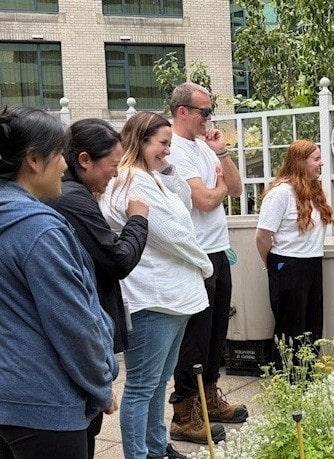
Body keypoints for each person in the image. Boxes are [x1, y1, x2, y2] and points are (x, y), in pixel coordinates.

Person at [0, 107, 118, 459]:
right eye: (59, 155)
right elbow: (74, 322)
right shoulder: (39, 230)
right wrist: (101, 384)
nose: (65, 166)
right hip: (43, 405)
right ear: (33, 159)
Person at [100, 112, 213, 459]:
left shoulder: (151, 176)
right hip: (153, 298)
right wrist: (205, 263)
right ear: (140, 141)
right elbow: (172, 235)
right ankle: (139, 453)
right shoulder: (133, 181)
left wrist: (167, 166)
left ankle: (155, 447)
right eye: (162, 144)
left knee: (156, 383)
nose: (168, 150)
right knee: (141, 386)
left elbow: (184, 203)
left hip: (173, 298)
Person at [44, 118, 149, 458]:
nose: (116, 175)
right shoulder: (72, 198)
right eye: (112, 166)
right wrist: (138, 220)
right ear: (84, 159)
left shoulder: (74, 195)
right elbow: (117, 260)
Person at [166, 82, 246, 444]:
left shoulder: (204, 146)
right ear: (183, 111)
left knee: (217, 332)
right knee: (194, 337)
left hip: (218, 248)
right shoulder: (174, 149)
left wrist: (222, 154)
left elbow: (237, 189)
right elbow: (202, 200)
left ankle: (209, 397)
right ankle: (184, 412)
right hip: (194, 254)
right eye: (204, 111)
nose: (209, 118)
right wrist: (217, 191)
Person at [256, 139, 334, 365]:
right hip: (288, 264)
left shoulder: (314, 190)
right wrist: (271, 265)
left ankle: (307, 376)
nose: (321, 164)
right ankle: (286, 378)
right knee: (290, 327)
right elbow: (262, 236)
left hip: (312, 263)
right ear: (300, 162)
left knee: (312, 325)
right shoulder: (280, 194)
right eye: (316, 159)